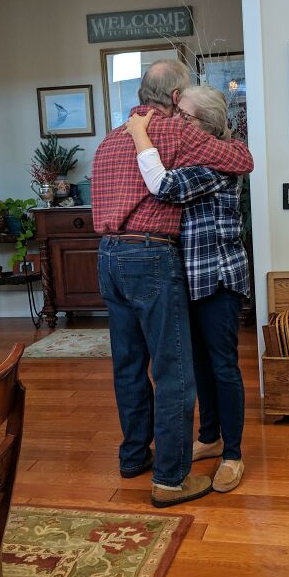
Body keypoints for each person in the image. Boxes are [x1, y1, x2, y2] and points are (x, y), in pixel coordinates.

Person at [92, 60, 253, 508]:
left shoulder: (110, 138)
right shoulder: (177, 133)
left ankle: (133, 457)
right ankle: (169, 478)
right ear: (177, 95)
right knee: (174, 370)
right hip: (150, 255)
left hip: (107, 256)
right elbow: (243, 157)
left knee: (128, 365)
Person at [125, 85, 248, 493]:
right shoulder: (198, 156)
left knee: (223, 367)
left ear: (205, 125)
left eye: (185, 116)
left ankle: (233, 454)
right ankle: (210, 436)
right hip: (187, 279)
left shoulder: (217, 164)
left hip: (217, 277)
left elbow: (163, 186)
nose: (176, 121)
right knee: (198, 365)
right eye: (176, 113)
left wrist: (140, 135)